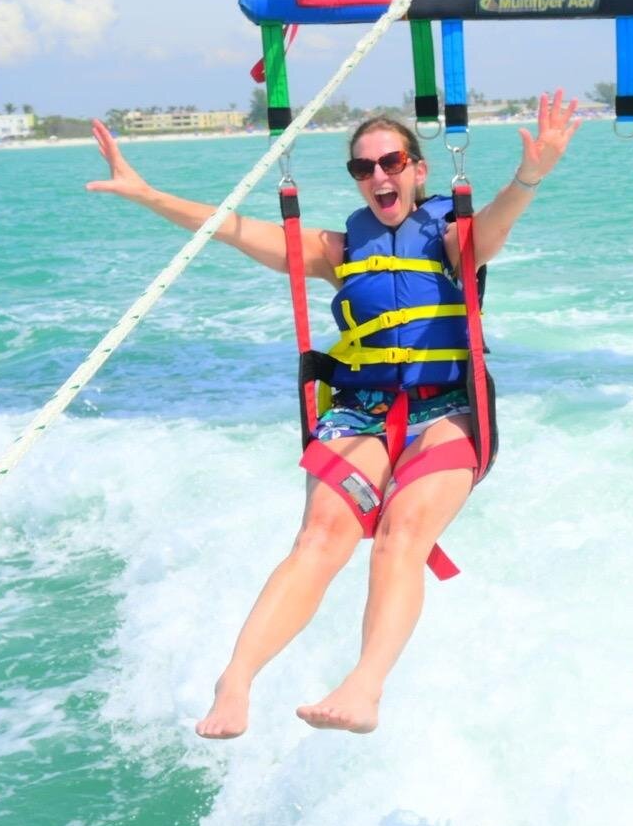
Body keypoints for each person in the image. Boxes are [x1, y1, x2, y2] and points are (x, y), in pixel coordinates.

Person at [86, 94, 581, 736]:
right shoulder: (338, 249)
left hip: (448, 410)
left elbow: (497, 223)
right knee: (319, 538)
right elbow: (230, 227)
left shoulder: (452, 238)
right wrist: (147, 194)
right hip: (361, 412)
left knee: (402, 535)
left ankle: (363, 686)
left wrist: (529, 176)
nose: (378, 176)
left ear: (418, 169)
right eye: (363, 168)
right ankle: (235, 680)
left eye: (391, 162)